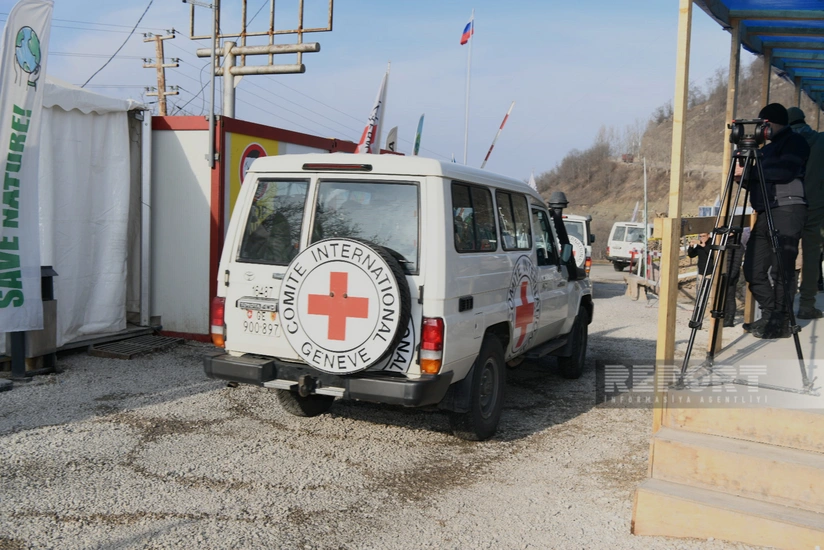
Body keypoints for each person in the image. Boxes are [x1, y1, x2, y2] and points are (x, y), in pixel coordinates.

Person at [738, 103, 810, 339]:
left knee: (782, 269)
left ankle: (779, 321)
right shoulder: (766, 149)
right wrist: (743, 174)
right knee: (753, 269)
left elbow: (785, 172)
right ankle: (771, 314)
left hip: (788, 209)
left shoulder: (795, 142)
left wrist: (756, 170)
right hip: (765, 211)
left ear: (768, 123)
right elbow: (760, 179)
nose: (760, 132)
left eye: (762, 126)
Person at [787, 106, 824, 319]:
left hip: (789, 206)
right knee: (811, 256)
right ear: (804, 119)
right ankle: (807, 305)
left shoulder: (785, 143)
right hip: (816, 207)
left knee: (785, 254)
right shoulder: (820, 141)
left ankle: (783, 305)